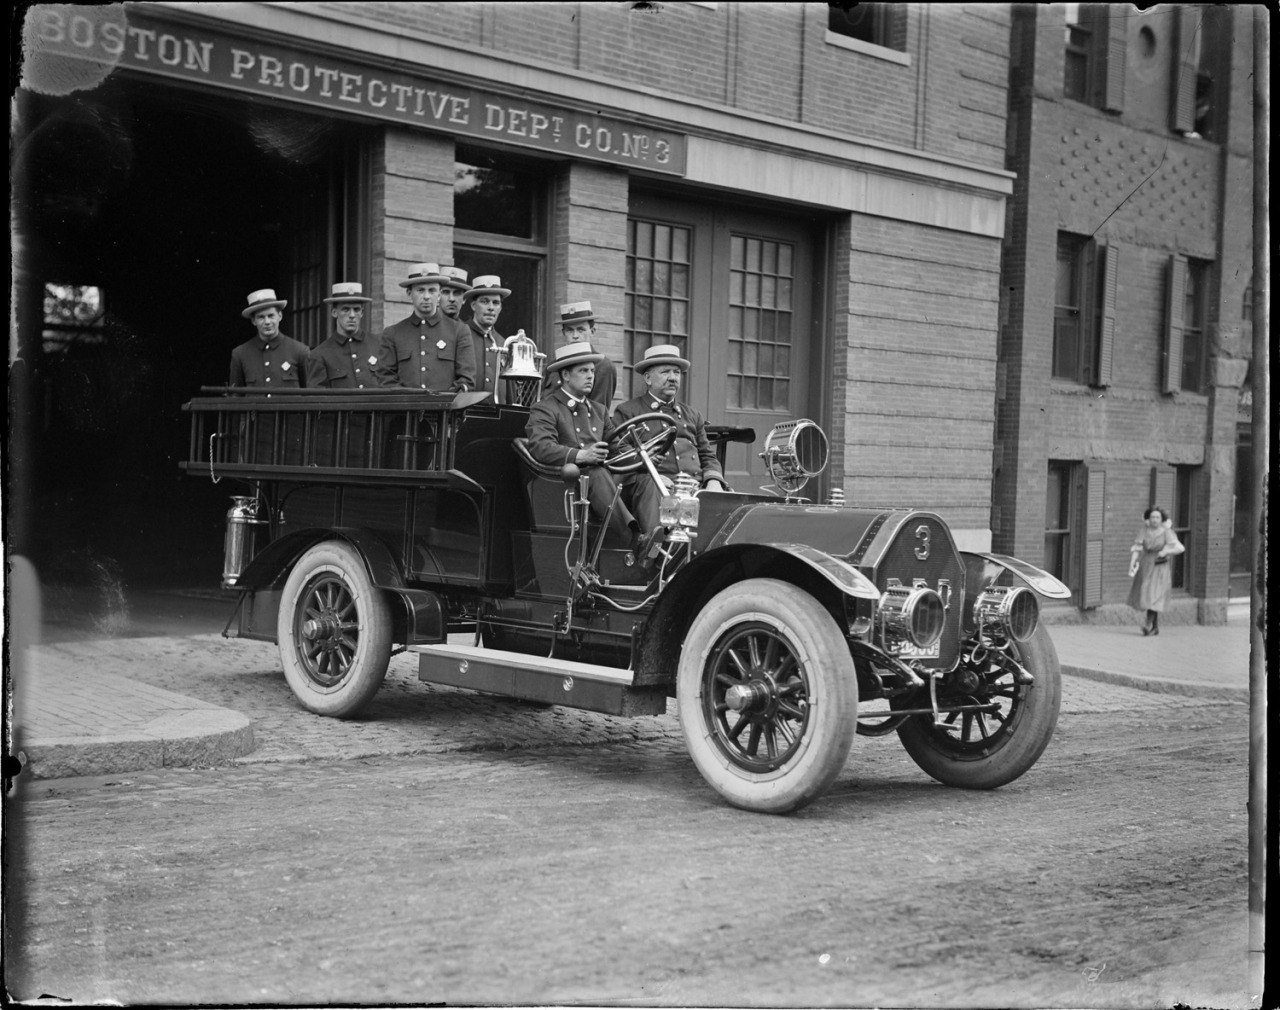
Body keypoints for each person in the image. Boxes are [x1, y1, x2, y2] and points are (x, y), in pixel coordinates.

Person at [525, 341, 641, 548]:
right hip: (563, 485)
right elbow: (541, 447)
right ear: (566, 376)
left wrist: (642, 456)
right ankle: (633, 540)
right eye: (583, 371)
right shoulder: (546, 408)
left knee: (642, 476)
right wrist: (581, 456)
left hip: (599, 485)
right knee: (595, 472)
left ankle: (663, 540)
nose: (590, 376)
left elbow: (617, 447)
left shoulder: (599, 410)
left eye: (592, 371)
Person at [612, 343, 726, 538]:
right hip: (652, 487)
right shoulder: (629, 411)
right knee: (650, 486)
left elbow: (707, 454)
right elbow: (619, 453)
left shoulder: (692, 414)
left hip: (693, 488)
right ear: (647, 378)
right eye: (665, 372)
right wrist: (652, 474)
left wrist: (714, 480)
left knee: (729, 504)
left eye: (676, 372)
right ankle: (654, 548)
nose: (673, 378)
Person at [374, 262, 475, 391]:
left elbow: (466, 379)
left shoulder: (459, 331)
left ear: (439, 294)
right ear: (409, 293)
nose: (426, 296)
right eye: (420, 290)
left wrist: (444, 402)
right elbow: (385, 378)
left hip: (445, 409)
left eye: (432, 290)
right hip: (406, 409)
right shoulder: (393, 333)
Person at [229, 288, 310, 389]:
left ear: (280, 316)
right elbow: (235, 397)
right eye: (261, 317)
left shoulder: (299, 351)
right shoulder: (240, 354)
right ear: (253, 321)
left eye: (271, 316)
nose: (267, 322)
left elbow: (309, 394)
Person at [543, 301, 617, 408]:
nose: (575, 336)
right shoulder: (553, 366)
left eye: (581, 330)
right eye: (569, 330)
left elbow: (598, 413)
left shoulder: (603, 366)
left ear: (592, 331)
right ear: (563, 333)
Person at [1127, 506, 1185, 635]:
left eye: (1157, 517)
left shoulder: (1166, 532)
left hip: (1159, 566)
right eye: (1152, 517)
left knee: (1153, 595)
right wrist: (1132, 563)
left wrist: (1165, 551)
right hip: (1146, 564)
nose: (1155, 520)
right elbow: (1137, 548)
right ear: (1148, 519)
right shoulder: (1144, 531)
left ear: (1161, 519)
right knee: (1148, 594)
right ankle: (1155, 627)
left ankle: (1148, 625)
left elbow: (1180, 548)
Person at [306, 281, 376, 388]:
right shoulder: (320, 355)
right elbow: (317, 400)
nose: (352, 315)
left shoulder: (379, 345)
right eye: (345, 309)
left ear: (362, 313)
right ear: (334, 312)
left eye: (356, 309)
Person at [463, 274, 509, 399]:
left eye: (496, 303)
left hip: (497, 413)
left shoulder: (503, 343)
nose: (491, 308)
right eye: (484, 301)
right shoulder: (460, 334)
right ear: (473, 305)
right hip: (466, 412)